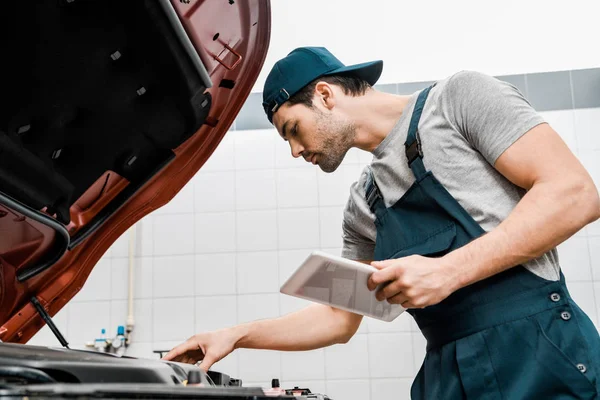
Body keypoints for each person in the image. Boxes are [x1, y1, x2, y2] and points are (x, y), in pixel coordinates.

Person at [164, 47, 600, 398]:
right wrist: (235, 336)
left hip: (543, 356)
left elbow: (574, 194)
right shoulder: (362, 205)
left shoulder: (459, 100)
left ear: (325, 95)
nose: (295, 152)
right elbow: (339, 319)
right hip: (448, 378)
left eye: (292, 129)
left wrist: (447, 271)